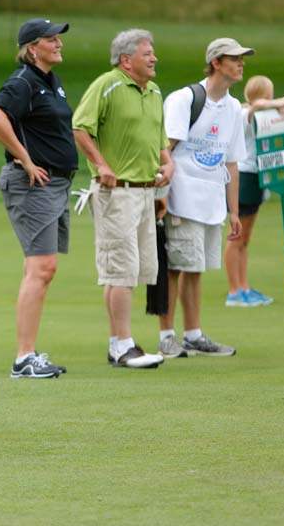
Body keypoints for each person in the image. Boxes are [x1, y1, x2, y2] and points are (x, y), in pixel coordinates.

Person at [72, 29, 171, 368]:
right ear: (126, 60)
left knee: (135, 269)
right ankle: (122, 346)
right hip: (117, 193)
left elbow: (160, 139)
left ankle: (120, 342)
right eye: (147, 53)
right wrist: (100, 164)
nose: (154, 58)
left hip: (147, 192)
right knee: (121, 271)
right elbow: (80, 127)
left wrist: (167, 163)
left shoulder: (155, 91)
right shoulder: (107, 84)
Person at [0, 18, 77, 379]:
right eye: (51, 40)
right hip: (33, 184)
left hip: (55, 185)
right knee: (42, 268)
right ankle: (24, 358)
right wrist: (25, 159)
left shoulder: (49, 82)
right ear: (32, 47)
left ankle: (29, 353)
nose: (59, 44)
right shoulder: (23, 81)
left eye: (59, 39)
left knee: (39, 269)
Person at [158, 38, 251, 357]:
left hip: (212, 201)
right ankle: (167, 336)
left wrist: (234, 211)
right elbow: (164, 151)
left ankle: (194, 334)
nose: (241, 64)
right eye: (234, 58)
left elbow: (232, 161)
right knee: (175, 266)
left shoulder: (235, 107)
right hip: (181, 197)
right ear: (215, 62)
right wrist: (161, 197)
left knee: (194, 267)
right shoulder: (184, 99)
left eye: (242, 59)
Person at [223, 75, 284, 307]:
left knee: (245, 238)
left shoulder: (263, 113)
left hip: (257, 175)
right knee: (236, 237)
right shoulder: (245, 112)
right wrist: (282, 102)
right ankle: (234, 291)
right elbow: (257, 105)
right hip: (243, 176)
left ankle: (244, 286)